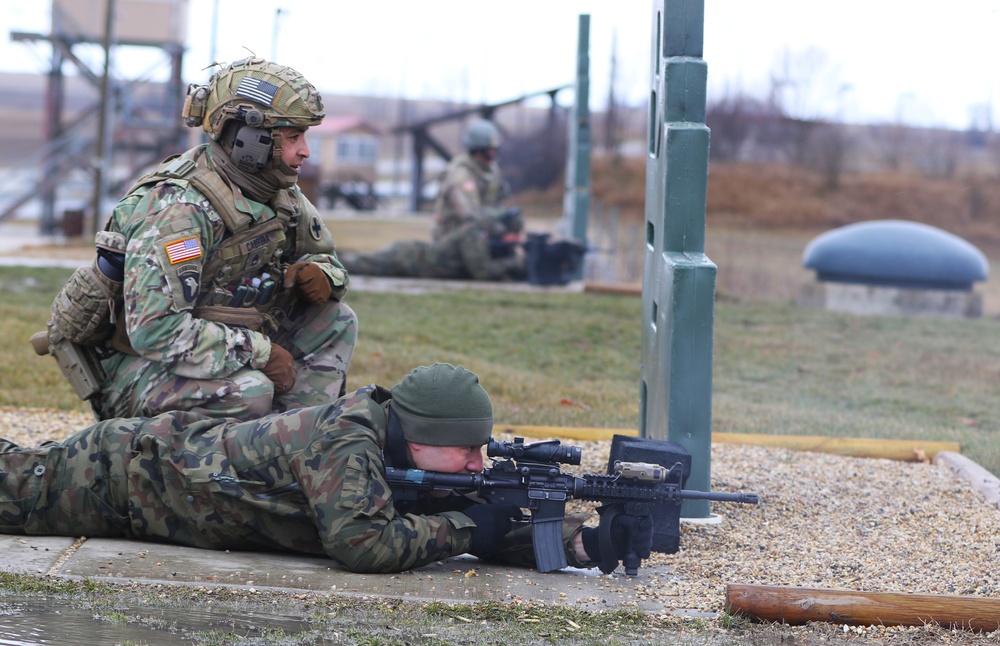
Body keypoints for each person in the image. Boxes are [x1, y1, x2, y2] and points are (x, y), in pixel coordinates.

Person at [0, 363, 647, 574]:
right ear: (419, 437)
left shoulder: (410, 455)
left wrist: (585, 542)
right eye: (468, 451)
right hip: (123, 478)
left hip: (153, 484)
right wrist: (468, 532)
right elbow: (363, 542)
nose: (478, 464)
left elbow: (473, 516)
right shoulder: (348, 440)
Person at [47, 57, 357, 422]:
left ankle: (294, 439)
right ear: (249, 140)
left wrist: (322, 275)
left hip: (218, 349)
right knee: (251, 391)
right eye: (293, 137)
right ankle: (211, 466)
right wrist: (261, 353)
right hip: (138, 372)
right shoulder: (180, 209)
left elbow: (328, 261)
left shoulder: (281, 196)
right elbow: (155, 331)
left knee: (337, 319)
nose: (305, 150)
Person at [338, 208, 527, 281]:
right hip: (409, 259)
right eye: (514, 234)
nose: (516, 240)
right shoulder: (474, 234)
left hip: (414, 258)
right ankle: (321, 259)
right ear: (501, 229)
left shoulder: (486, 237)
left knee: (358, 260)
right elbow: (482, 271)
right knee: (352, 265)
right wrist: (516, 262)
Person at [431, 119, 509, 241]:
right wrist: (499, 229)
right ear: (475, 151)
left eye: (495, 152)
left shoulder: (491, 171)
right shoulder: (460, 175)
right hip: (452, 236)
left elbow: (495, 205)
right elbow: (468, 215)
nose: (491, 158)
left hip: (481, 232)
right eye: (487, 153)